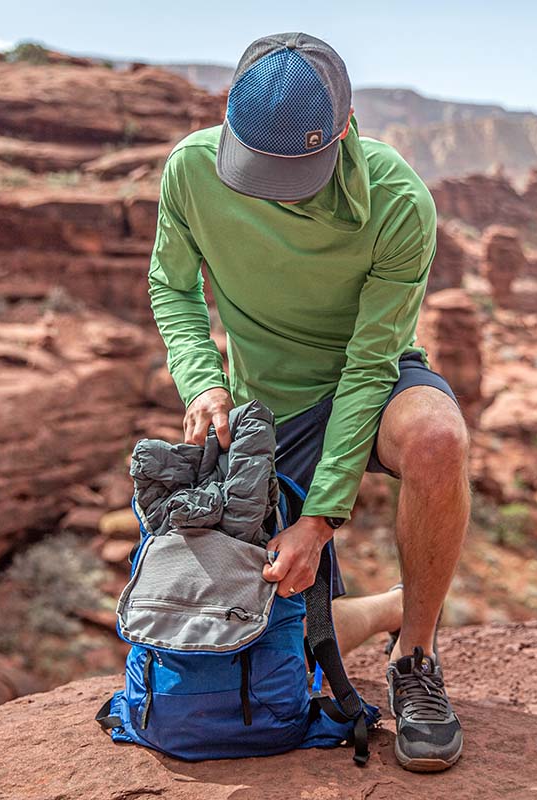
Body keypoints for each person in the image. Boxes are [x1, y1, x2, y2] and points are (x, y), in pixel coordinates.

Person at [147, 31, 469, 772]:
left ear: (347, 129)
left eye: (293, 173)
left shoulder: (397, 202)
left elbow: (367, 366)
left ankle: (415, 656)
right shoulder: (192, 171)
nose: (270, 190)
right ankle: (387, 607)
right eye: (256, 169)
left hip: (369, 383)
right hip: (265, 406)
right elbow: (172, 285)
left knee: (436, 440)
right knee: (250, 649)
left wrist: (322, 517)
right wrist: (202, 380)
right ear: (228, 120)